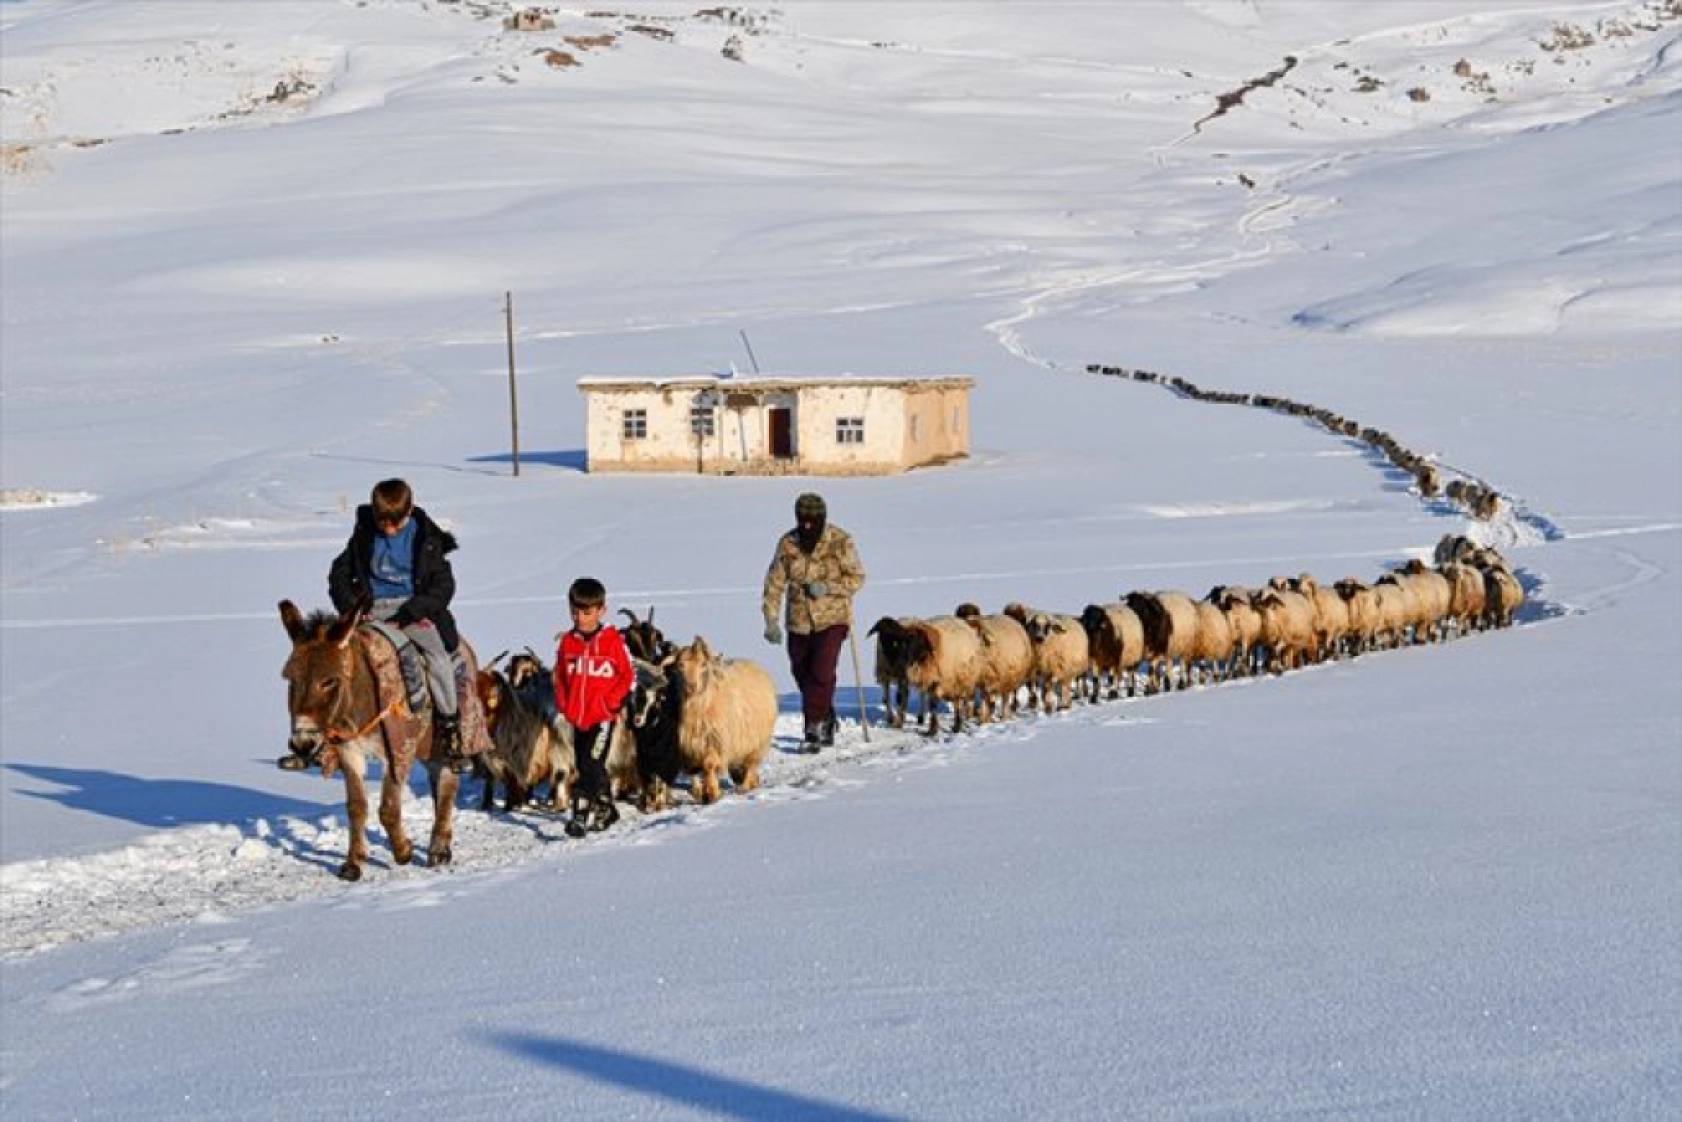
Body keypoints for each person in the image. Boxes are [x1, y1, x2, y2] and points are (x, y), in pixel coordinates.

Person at [327, 478, 465, 767]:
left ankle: (449, 726)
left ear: (409, 511)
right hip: (370, 610)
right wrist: (351, 609)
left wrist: (411, 612)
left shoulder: (426, 540)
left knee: (438, 655)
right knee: (330, 658)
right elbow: (338, 575)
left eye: (396, 523)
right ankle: (323, 734)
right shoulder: (364, 535)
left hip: (412, 610)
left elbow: (443, 586)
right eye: (383, 522)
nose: (388, 528)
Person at [762, 492, 866, 751]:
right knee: (802, 672)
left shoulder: (840, 541)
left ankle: (813, 728)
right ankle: (826, 713)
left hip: (832, 618)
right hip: (798, 620)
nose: (807, 526)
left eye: (813, 521)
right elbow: (774, 582)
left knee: (821, 671)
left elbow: (857, 578)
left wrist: (828, 588)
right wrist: (771, 619)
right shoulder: (788, 543)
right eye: (803, 520)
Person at [553, 576, 635, 838]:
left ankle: (579, 814)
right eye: (574, 612)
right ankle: (607, 807)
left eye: (586, 613)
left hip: (602, 717)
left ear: (601, 611)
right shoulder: (568, 643)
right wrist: (565, 703)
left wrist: (611, 702)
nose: (580, 618)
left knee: (590, 764)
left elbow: (626, 675)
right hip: (578, 717)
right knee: (586, 764)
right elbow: (560, 676)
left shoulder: (612, 642)